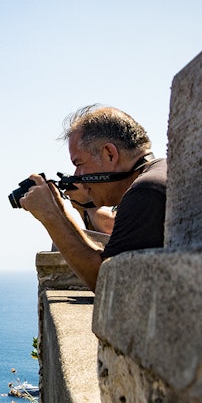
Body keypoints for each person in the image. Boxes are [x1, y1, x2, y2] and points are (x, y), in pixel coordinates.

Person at [19, 104, 167, 291]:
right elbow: (108, 261)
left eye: (79, 163)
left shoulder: (145, 193)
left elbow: (108, 284)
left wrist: (50, 216)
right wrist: (61, 210)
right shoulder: (158, 175)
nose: (77, 175)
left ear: (110, 154)